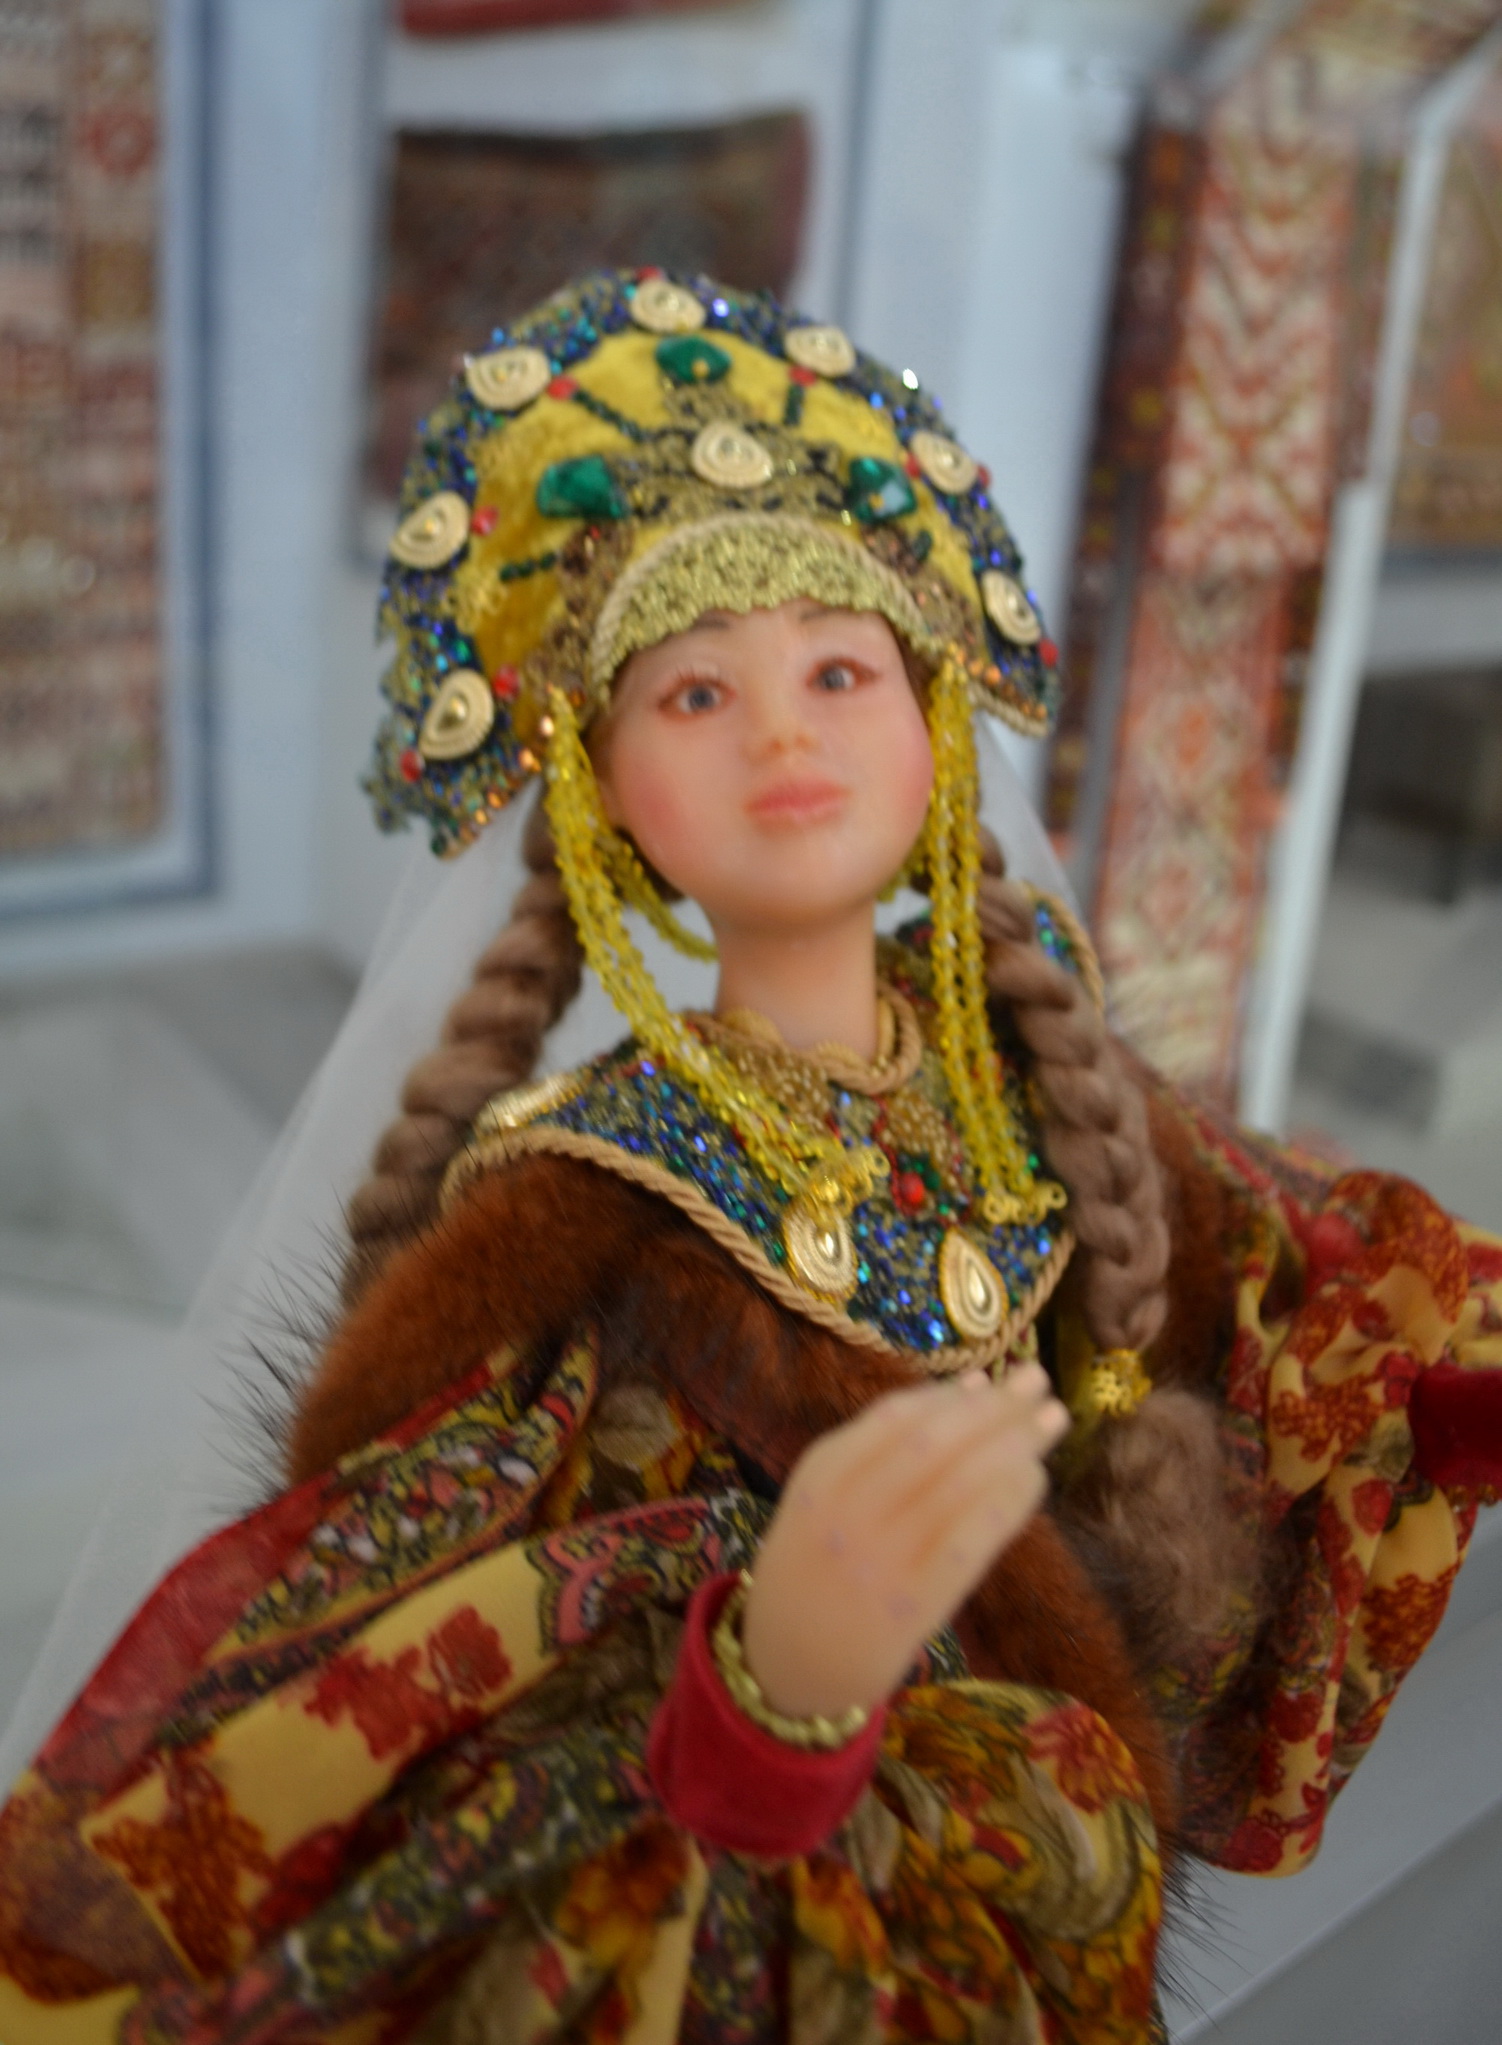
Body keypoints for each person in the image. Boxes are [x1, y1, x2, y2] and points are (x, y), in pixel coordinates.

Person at [1, 270, 1499, 2045]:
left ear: (934, 722)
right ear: (598, 794)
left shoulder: (1026, 1071)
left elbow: (1286, 1297)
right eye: (696, 690)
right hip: (832, 1928)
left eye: (838, 669)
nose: (782, 730)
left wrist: (1452, 1383)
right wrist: (764, 1702)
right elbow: (408, 1699)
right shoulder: (587, 1207)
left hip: (1057, 1875)